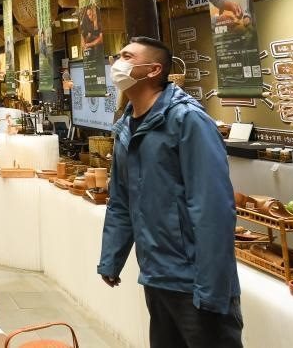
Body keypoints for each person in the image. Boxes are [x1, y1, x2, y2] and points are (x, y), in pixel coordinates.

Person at [97, 36, 242, 348]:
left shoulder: (187, 120)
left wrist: (211, 288)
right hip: (156, 274)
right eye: (118, 56)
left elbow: (213, 209)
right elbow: (121, 200)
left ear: (153, 70)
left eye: (127, 57)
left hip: (195, 281)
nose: (117, 64)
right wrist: (111, 258)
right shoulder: (126, 125)